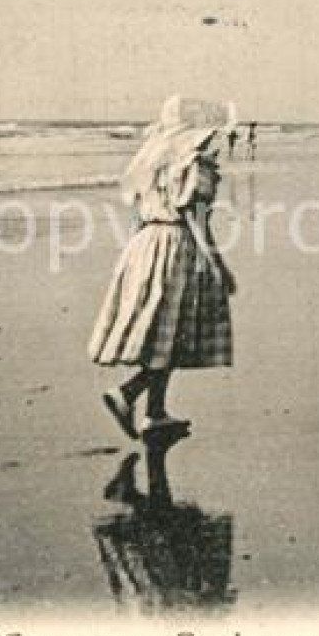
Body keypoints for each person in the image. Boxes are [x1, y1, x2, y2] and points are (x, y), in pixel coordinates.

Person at [90, 96, 236, 441]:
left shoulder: (152, 160)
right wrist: (218, 265)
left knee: (159, 329)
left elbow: (137, 213)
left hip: (145, 245)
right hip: (177, 246)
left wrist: (132, 255)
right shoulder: (193, 165)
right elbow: (195, 218)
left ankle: (155, 413)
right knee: (174, 330)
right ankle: (128, 394)